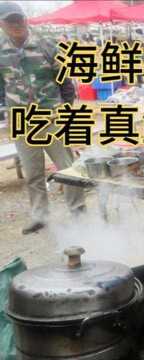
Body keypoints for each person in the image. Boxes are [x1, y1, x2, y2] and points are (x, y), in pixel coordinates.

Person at [0, 1, 85, 234]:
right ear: (2, 24)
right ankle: (40, 215)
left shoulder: (47, 46)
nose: (16, 24)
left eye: (19, 19)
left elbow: (66, 83)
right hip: (20, 119)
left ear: (25, 20)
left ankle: (77, 209)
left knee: (67, 167)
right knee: (33, 171)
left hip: (51, 116)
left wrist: (65, 111)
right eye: (10, 21)